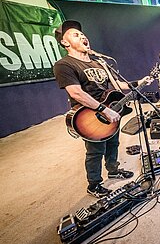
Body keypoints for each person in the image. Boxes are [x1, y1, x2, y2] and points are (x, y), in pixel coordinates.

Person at [53, 20, 152, 198]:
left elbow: (118, 85)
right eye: (76, 35)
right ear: (65, 43)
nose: (83, 36)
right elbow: (75, 93)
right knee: (95, 150)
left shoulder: (100, 64)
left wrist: (139, 82)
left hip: (111, 110)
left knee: (113, 143)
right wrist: (103, 110)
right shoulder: (64, 65)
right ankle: (94, 184)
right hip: (89, 115)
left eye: (83, 34)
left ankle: (113, 170)